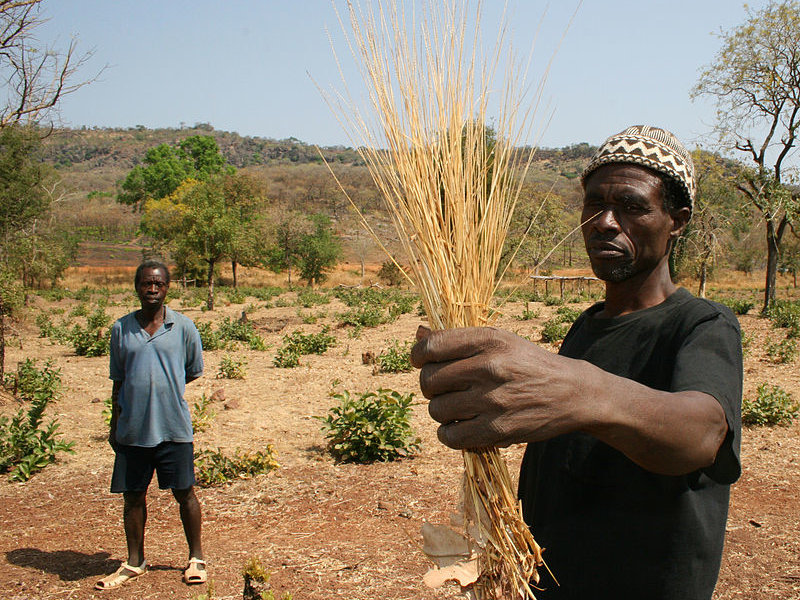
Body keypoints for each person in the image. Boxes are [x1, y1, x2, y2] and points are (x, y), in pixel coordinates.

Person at [410, 125, 742, 600]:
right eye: (594, 204)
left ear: (678, 220)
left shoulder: (702, 325)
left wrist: (580, 391)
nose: (605, 222)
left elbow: (702, 434)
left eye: (632, 206)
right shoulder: (587, 327)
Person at [96, 260, 206, 590]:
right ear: (137, 287)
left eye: (158, 284)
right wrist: (115, 424)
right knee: (132, 496)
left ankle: (196, 558)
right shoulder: (121, 329)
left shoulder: (184, 327)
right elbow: (119, 380)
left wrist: (163, 388)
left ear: (167, 288)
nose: (152, 289)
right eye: (146, 284)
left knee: (185, 493)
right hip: (132, 428)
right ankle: (134, 561)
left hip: (173, 426)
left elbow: (190, 370)